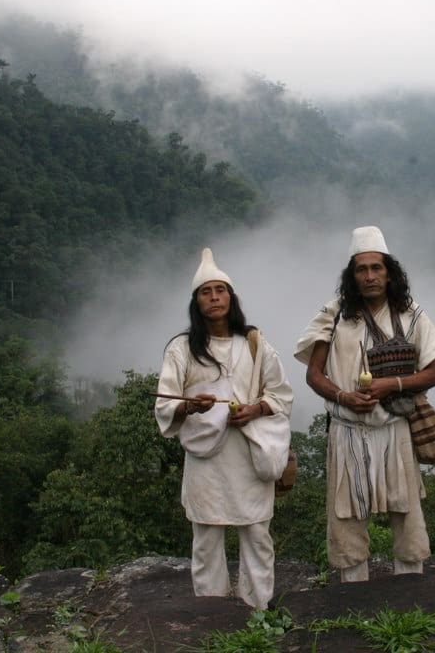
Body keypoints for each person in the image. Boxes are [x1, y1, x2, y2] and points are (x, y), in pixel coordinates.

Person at [295, 226, 435, 582]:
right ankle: (354, 592)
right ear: (352, 276)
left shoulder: (412, 315)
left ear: (390, 273)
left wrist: (391, 384)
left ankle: (410, 586)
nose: (369, 276)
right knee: (347, 514)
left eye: (376, 268)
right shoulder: (333, 315)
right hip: (348, 429)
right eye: (361, 270)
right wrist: (344, 396)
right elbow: (314, 375)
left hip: (396, 427)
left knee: (407, 511)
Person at [154, 248, 292, 609]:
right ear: (196, 302)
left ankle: (257, 608)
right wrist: (189, 405)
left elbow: (280, 394)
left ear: (231, 298)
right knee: (207, 537)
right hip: (205, 458)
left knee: (257, 533)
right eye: (206, 292)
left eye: (220, 290)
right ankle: (212, 612)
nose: (214, 298)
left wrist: (255, 409)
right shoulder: (182, 349)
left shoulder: (255, 343)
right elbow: (165, 404)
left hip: (249, 452)